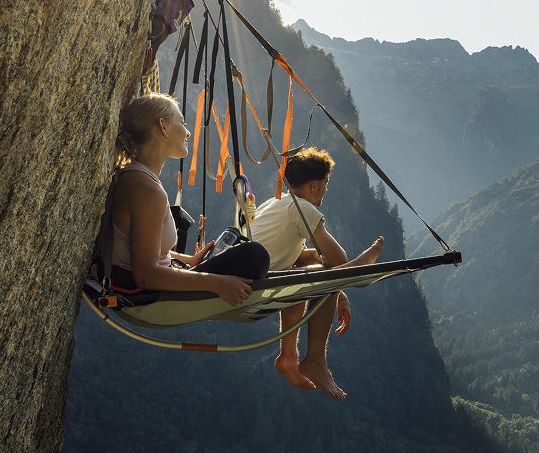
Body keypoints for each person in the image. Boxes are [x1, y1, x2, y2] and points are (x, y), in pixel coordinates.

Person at [249, 147, 384, 400]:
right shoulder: (304, 209)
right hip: (252, 285)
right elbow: (338, 261)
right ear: (313, 186)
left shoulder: (276, 201)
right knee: (331, 273)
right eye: (326, 183)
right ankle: (315, 360)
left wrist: (333, 288)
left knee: (304, 270)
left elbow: (275, 250)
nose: (326, 189)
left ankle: (289, 357)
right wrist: (341, 285)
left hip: (248, 272)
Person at [108, 93, 269, 301]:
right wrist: (217, 283)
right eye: (182, 123)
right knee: (255, 257)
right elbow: (146, 275)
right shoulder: (146, 190)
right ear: (163, 127)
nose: (188, 133)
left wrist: (191, 261)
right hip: (148, 294)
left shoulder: (138, 178)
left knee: (244, 249)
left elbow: (144, 248)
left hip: (151, 282)